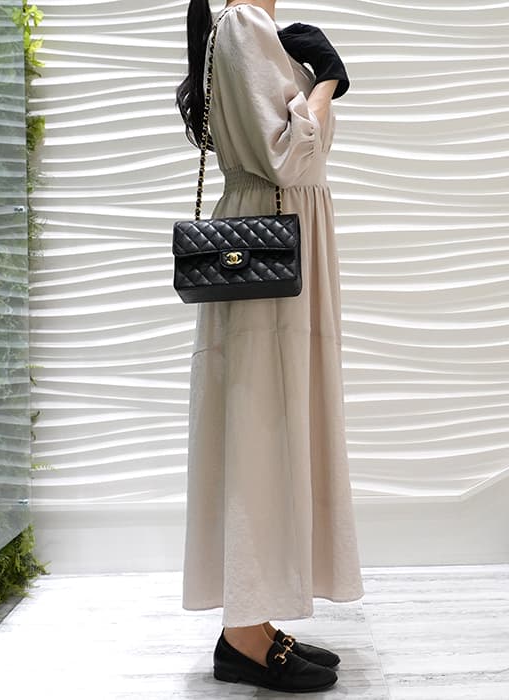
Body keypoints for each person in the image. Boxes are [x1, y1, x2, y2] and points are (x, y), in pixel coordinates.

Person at [175, 0, 365, 692]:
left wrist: (314, 76)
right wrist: (327, 79)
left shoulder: (248, 29)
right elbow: (287, 155)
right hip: (268, 242)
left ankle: (251, 622)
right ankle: (242, 635)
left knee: (267, 424)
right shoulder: (244, 25)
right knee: (259, 427)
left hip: (281, 238)